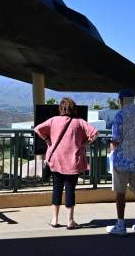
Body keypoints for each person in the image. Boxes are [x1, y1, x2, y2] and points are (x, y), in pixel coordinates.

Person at [34, 97, 98, 229]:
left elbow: (37, 129)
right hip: (72, 162)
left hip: (56, 160)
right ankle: (70, 221)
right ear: (73, 109)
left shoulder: (53, 120)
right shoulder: (79, 122)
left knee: (56, 189)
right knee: (70, 190)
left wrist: (47, 140)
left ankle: (54, 220)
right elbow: (95, 133)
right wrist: (85, 144)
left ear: (61, 109)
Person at [107, 89, 135, 236]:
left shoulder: (120, 115)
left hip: (123, 161)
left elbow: (116, 138)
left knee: (120, 193)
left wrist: (112, 151)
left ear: (121, 100)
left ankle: (120, 225)